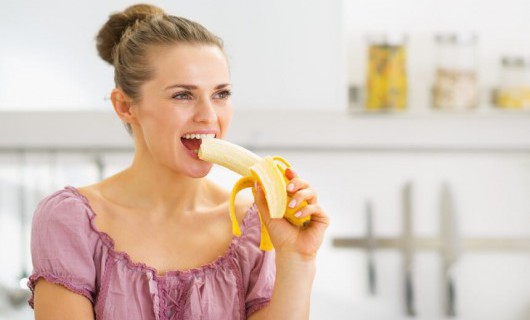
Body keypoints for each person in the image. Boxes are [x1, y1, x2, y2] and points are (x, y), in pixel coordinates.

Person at [27, 4, 329, 320]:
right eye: (183, 95)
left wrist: (297, 257)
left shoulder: (253, 225)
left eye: (221, 94)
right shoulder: (71, 220)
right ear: (125, 105)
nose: (209, 116)